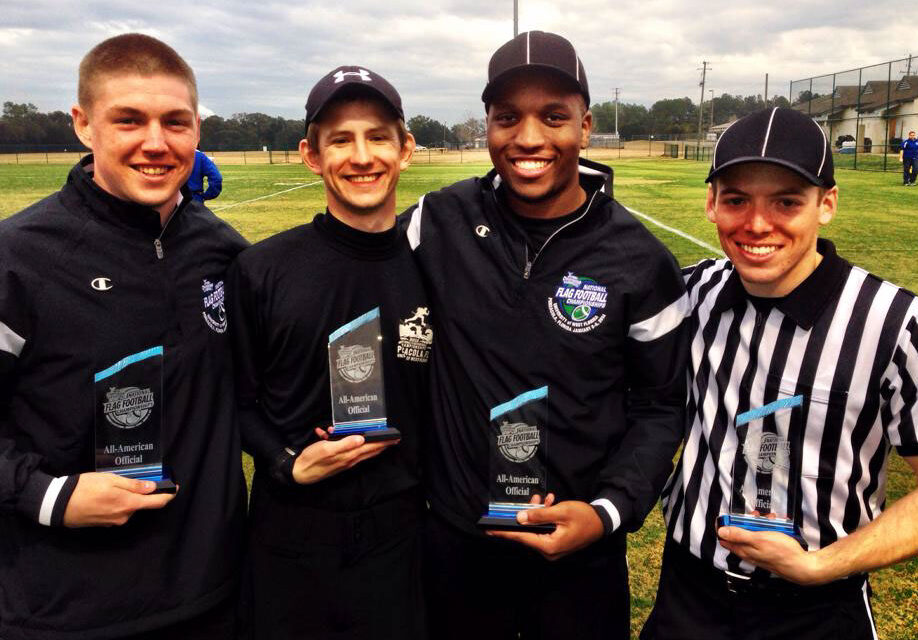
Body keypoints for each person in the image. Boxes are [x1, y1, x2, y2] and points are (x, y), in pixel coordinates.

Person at [405, 31, 688, 640]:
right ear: (487, 126)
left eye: (553, 117)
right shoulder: (439, 220)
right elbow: (350, 274)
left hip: (578, 551)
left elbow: (661, 406)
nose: (529, 138)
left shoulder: (640, 260)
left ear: (585, 128)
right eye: (508, 117)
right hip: (457, 540)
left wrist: (607, 511)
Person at [642, 107, 918, 639]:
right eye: (737, 200)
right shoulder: (691, 293)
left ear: (827, 204)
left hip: (815, 610)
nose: (757, 224)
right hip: (687, 596)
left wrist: (821, 564)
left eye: (787, 201)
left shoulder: (898, 325)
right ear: (711, 204)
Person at [0, 34, 247, 639]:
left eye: (176, 122)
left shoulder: (220, 249)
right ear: (83, 125)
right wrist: (46, 494)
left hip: (215, 595)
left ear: (196, 130)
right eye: (129, 120)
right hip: (67, 610)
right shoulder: (18, 258)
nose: (156, 143)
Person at [228, 66, 429, 640]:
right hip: (292, 536)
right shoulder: (261, 270)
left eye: (377, 137)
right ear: (312, 156)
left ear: (405, 149)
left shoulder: (435, 269)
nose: (361, 156)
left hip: (403, 534)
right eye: (340, 139)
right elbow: (238, 401)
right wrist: (285, 462)